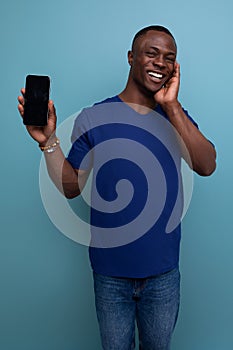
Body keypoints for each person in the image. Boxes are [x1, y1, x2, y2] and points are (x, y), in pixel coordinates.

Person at [18, 25, 216, 350]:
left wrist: (172, 105)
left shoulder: (175, 117)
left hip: (163, 274)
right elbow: (71, 187)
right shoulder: (94, 117)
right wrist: (48, 142)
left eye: (169, 58)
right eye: (152, 53)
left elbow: (206, 165)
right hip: (110, 276)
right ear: (131, 57)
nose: (160, 63)